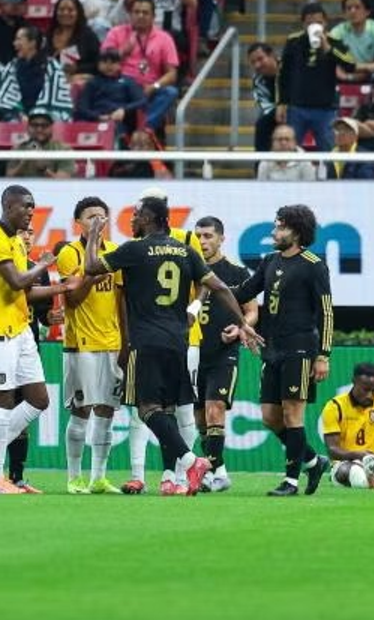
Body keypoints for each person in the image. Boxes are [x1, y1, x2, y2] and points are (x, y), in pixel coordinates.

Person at [82, 196, 260, 496]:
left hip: (147, 342)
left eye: (136, 215)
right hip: (178, 342)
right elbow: (218, 287)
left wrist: (95, 237)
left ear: (150, 218)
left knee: (147, 408)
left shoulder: (134, 249)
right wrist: (243, 322)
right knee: (169, 409)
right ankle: (174, 473)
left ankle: (192, 462)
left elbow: (89, 267)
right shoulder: (185, 251)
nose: (132, 220)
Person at [0, 185, 76, 494]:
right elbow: (16, 280)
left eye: (33, 207)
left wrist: (62, 289)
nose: (31, 211)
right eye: (26, 206)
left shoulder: (15, 241)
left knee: (40, 399)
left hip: (21, 330)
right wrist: (43, 264)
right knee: (3, 400)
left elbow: (25, 293)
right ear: (8, 206)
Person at [232, 205, 334, 497]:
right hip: (272, 349)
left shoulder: (313, 264)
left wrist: (323, 354)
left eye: (280, 227)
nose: (274, 233)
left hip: (300, 348)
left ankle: (290, 481)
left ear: (297, 231)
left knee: (292, 414)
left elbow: (326, 312)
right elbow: (244, 292)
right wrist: (210, 285)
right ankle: (313, 461)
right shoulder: (270, 261)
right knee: (269, 417)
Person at [56, 197, 124, 495]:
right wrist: (92, 271)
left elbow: (122, 301)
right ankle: (74, 477)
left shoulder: (116, 254)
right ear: (79, 223)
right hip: (81, 343)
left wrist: (127, 341)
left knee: (107, 411)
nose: (98, 221)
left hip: (112, 342)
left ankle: (99, 477)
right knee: (81, 410)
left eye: (102, 217)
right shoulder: (70, 254)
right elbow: (72, 299)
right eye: (91, 217)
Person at [192, 215, 258, 492]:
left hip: (223, 353)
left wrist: (241, 329)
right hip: (193, 351)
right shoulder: (187, 268)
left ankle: (209, 471)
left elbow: (252, 312)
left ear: (221, 238)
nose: (203, 241)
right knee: (199, 418)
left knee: (215, 409)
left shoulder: (236, 273)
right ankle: (219, 471)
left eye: (208, 236)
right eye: (198, 236)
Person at [276, 3, 356, 152]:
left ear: (325, 23)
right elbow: (283, 74)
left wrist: (328, 49)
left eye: (318, 22)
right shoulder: (293, 41)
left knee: (330, 153)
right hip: (297, 107)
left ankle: (330, 176)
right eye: (309, 23)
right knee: (289, 151)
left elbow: (351, 65)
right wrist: (281, 103)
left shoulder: (334, 41)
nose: (314, 26)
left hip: (326, 109)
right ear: (303, 24)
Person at [100, 0, 180, 133]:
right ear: (130, 15)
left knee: (170, 92)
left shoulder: (164, 38)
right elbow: (103, 65)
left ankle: (145, 128)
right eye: (136, 12)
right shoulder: (116, 32)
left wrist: (153, 87)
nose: (141, 16)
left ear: (153, 17)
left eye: (145, 13)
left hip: (149, 88)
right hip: (121, 86)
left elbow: (172, 74)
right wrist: (123, 51)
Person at [0, 26, 74, 122]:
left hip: (46, 115)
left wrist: (36, 115)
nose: (14, 44)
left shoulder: (51, 65)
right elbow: (5, 99)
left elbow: (58, 101)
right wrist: (20, 115)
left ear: (32, 43)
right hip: (19, 116)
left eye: (18, 39)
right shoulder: (12, 65)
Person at [74, 48, 146, 137]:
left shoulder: (128, 81)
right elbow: (82, 107)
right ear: (98, 64)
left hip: (118, 121)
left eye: (113, 62)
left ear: (120, 65)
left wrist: (124, 110)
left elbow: (142, 101)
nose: (109, 66)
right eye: (104, 62)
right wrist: (98, 117)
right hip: (95, 120)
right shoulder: (92, 83)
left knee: (115, 130)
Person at [6, 111, 77, 178]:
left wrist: (44, 169)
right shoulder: (18, 148)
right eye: (34, 125)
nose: (39, 129)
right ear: (28, 128)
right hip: (23, 189)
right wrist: (24, 161)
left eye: (44, 125)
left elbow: (63, 184)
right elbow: (8, 178)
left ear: (51, 128)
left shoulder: (63, 149)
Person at [247, 42, 278, 153]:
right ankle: (260, 165)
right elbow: (265, 107)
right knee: (262, 124)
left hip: (298, 107)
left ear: (271, 55)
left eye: (260, 59)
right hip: (276, 113)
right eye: (253, 62)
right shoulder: (257, 80)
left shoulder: (288, 67)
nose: (257, 65)